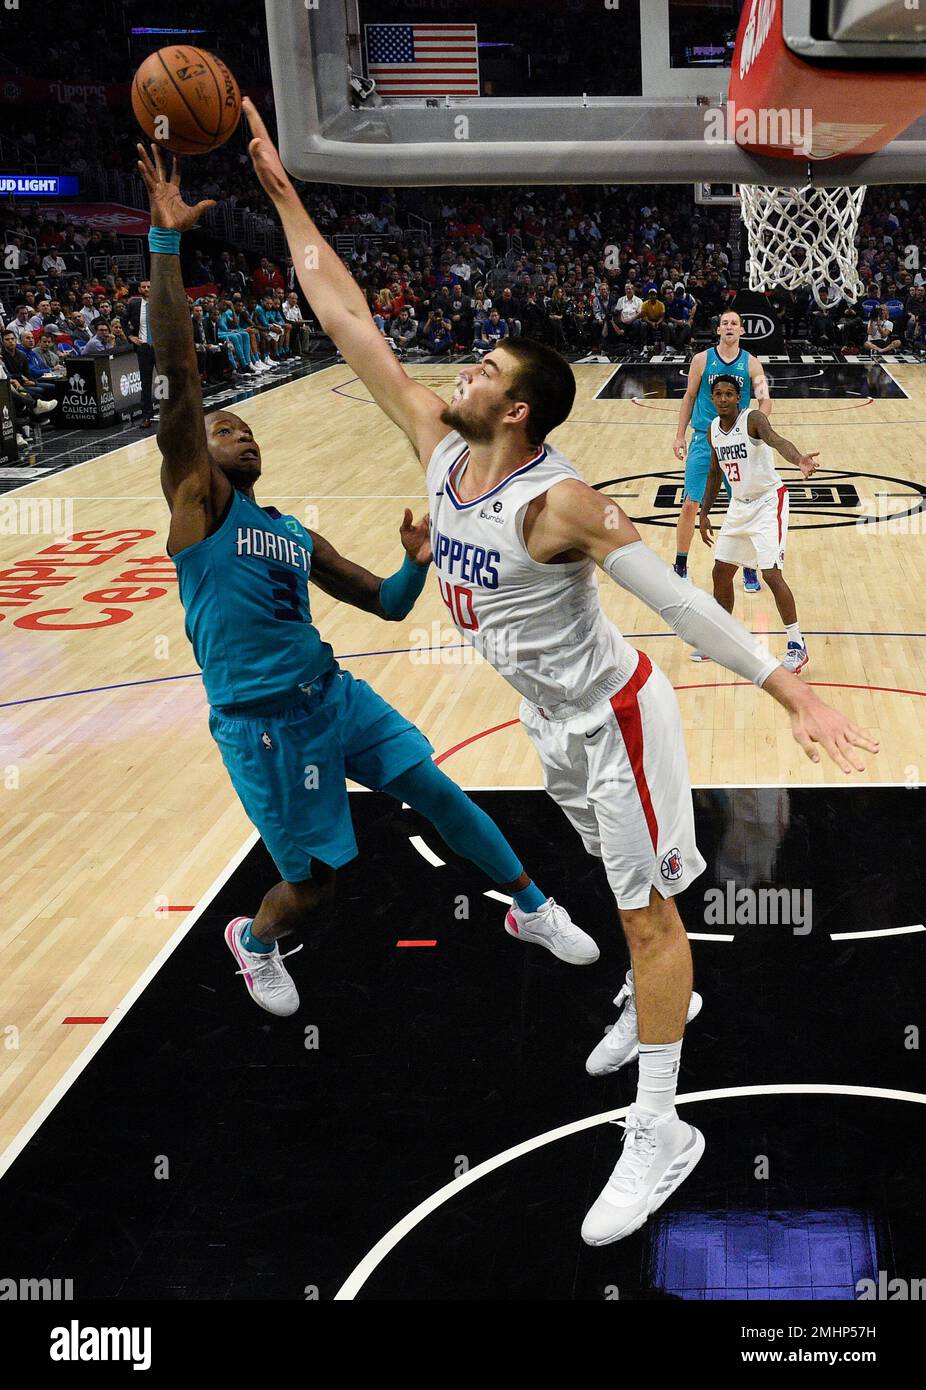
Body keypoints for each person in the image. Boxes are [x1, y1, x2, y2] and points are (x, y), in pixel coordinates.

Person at [242, 97, 879, 1244]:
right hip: (551, 726)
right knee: (637, 894)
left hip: (613, 718)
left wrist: (785, 687)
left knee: (646, 919)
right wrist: (284, 192)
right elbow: (346, 320)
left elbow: (678, 598)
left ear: (516, 407)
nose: (461, 370)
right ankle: (649, 994)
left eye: (481, 367)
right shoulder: (441, 451)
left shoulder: (560, 505)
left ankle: (658, 1129)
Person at [135, 141, 596, 1019]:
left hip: (331, 695)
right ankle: (255, 939)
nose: (242, 436)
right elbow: (180, 376)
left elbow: (384, 604)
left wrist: (417, 566)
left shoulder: (290, 534)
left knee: (436, 787)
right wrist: (165, 244)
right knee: (315, 891)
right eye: (229, 429)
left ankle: (532, 909)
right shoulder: (197, 503)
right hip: (264, 727)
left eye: (246, 430)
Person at [696, 376, 817, 673]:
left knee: (771, 574)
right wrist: (704, 512)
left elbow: (776, 441)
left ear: (739, 397)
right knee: (721, 571)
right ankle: (721, 640)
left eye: (729, 394)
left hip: (767, 501)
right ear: (712, 398)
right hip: (739, 505)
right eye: (718, 394)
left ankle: (796, 645)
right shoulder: (713, 429)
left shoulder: (753, 419)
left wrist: (799, 458)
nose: (723, 398)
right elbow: (714, 473)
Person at [673, 310, 769, 594]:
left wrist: (758, 431)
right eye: (724, 323)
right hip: (704, 438)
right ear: (718, 330)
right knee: (691, 503)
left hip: (738, 443)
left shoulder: (753, 364)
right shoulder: (701, 360)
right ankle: (680, 565)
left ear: (742, 330)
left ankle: (749, 569)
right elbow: (689, 396)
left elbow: (765, 401)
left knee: (744, 505)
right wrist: (679, 435)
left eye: (734, 324)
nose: (729, 327)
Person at [124, 280, 157, 428]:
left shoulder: (161, 303)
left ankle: (167, 413)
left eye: (149, 286)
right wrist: (130, 336)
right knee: (145, 382)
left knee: (163, 380)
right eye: (143, 287)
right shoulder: (134, 305)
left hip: (160, 348)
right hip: (144, 347)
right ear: (139, 289)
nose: (146, 289)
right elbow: (123, 321)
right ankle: (146, 416)